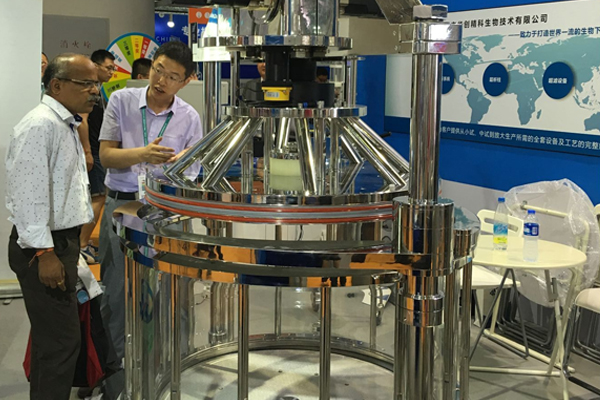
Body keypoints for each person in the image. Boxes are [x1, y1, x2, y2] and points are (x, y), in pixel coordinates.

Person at [98, 41, 202, 396]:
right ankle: (117, 382)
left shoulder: (189, 117)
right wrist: (143, 154)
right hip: (122, 206)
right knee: (117, 296)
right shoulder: (122, 101)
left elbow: (194, 173)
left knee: (174, 296)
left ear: (185, 81)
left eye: (172, 76)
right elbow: (106, 157)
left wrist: (180, 164)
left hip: (168, 213)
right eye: (158, 70)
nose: (161, 81)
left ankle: (173, 375)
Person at [6, 53, 99, 400]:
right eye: (85, 84)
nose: (94, 91)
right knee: (60, 343)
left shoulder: (65, 123)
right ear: (56, 85)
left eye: (96, 84)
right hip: (44, 247)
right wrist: (45, 253)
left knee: (54, 341)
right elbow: (28, 195)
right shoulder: (40, 125)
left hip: (60, 242)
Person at [77, 50, 116, 264]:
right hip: (94, 151)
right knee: (98, 198)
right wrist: (87, 151)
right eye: (108, 68)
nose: (112, 72)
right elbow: (82, 121)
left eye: (113, 68)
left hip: (97, 150)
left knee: (97, 198)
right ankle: (82, 246)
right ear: (95, 66)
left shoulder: (99, 90)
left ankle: (83, 243)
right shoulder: (89, 90)